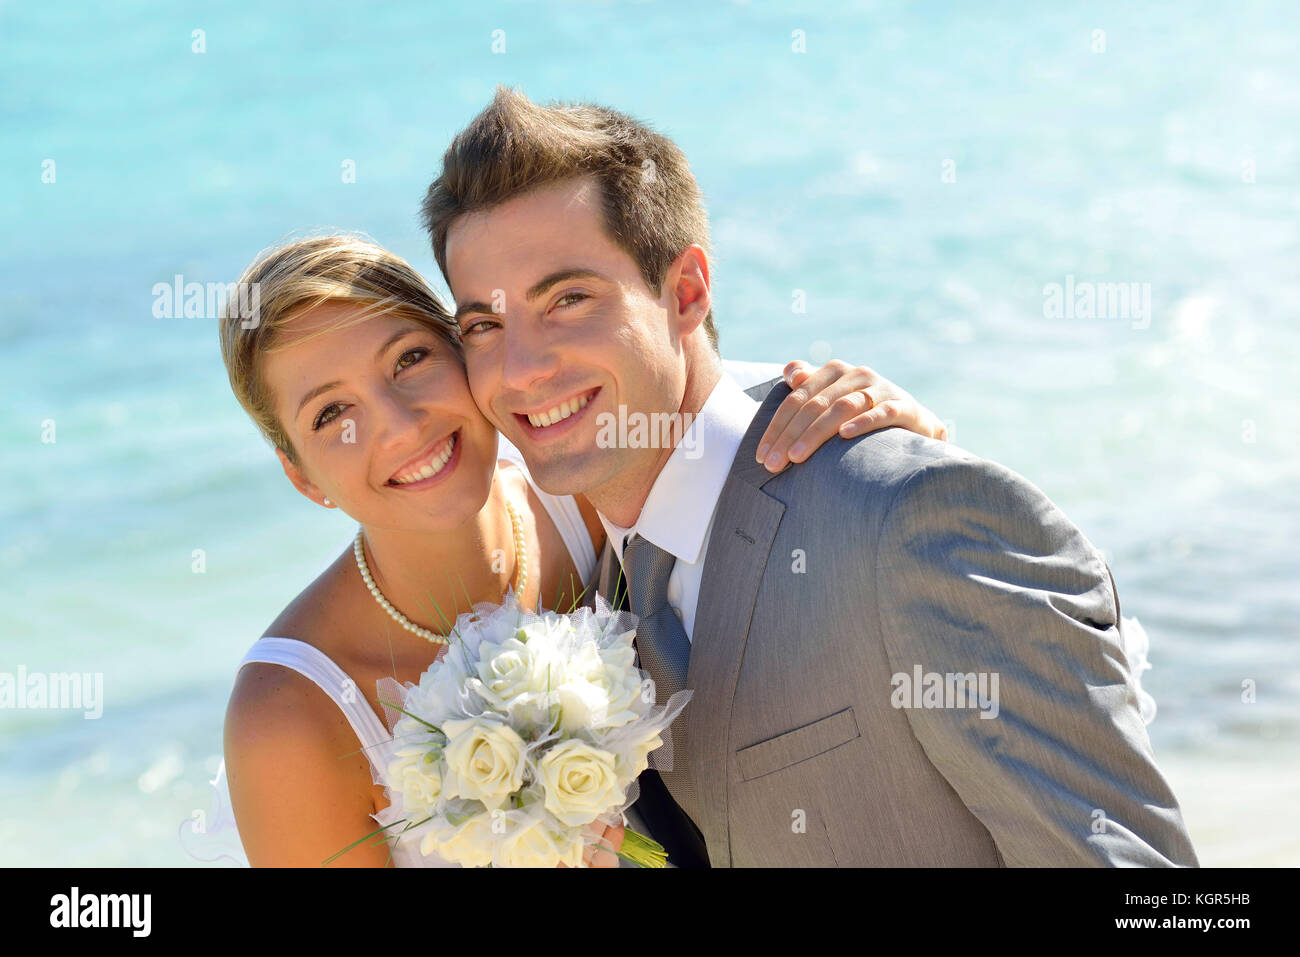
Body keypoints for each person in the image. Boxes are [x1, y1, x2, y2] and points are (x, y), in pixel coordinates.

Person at [421, 87, 1200, 866]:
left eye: (567, 299)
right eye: (484, 325)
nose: (521, 368)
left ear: (686, 292)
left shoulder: (910, 522)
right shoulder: (586, 587)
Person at [217, 233, 950, 867]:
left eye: (409, 358)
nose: (401, 425)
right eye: (332, 412)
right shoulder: (290, 715)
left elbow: (719, 430)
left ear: (471, 352)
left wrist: (875, 438)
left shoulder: (583, 492)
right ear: (301, 475)